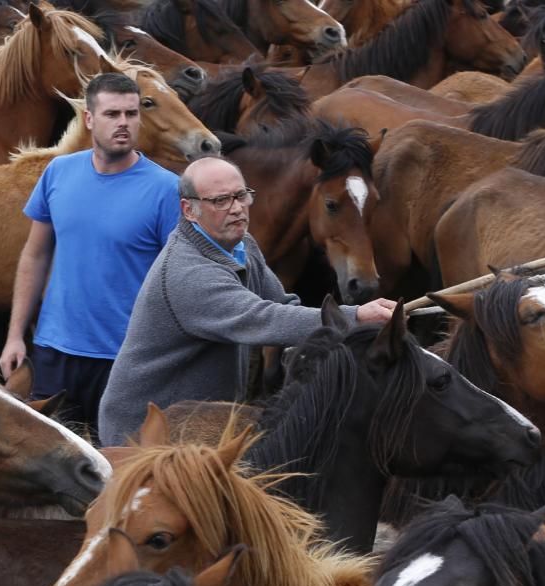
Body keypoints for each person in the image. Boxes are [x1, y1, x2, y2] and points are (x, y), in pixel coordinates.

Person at [97, 156, 396, 445]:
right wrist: (354, 316)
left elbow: (284, 305)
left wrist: (348, 329)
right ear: (189, 210)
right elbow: (262, 318)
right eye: (220, 200)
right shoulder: (186, 273)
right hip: (145, 431)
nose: (237, 208)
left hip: (199, 424)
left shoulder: (241, 244)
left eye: (241, 195)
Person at [0, 73, 180, 431]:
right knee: (52, 470)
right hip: (54, 351)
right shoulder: (59, 173)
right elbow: (35, 256)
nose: (124, 123)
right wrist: (15, 336)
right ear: (89, 119)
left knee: (115, 467)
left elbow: (177, 279)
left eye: (132, 114)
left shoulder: (167, 189)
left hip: (127, 359)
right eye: (112, 114)